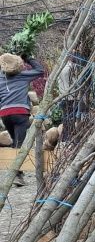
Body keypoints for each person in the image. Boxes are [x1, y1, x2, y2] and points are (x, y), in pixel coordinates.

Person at [0, 52, 45, 186]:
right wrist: (27, 58)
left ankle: (17, 173)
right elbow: (40, 70)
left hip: (5, 114)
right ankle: (17, 175)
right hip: (20, 113)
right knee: (20, 144)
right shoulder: (22, 76)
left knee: (15, 142)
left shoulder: (1, 78)